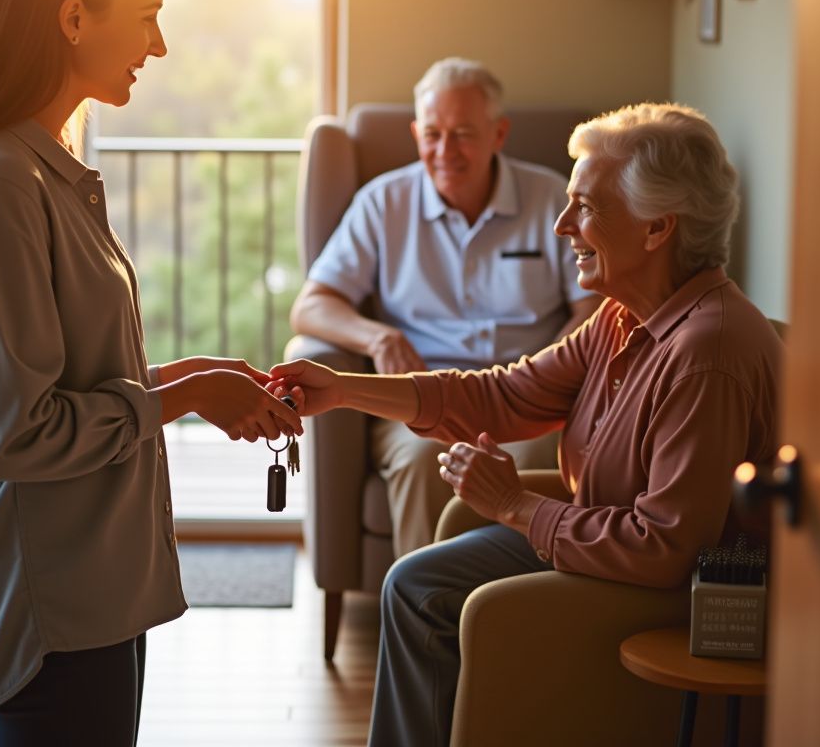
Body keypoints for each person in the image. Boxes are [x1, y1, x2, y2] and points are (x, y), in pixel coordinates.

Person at [0, 0, 303, 746]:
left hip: (90, 586)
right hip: (52, 603)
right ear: (73, 17)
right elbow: (15, 435)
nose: (160, 45)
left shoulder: (39, 168)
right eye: (146, 17)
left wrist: (194, 377)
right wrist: (182, 399)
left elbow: (60, 377)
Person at [271, 103, 780, 747]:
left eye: (587, 208)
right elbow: (502, 395)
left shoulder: (708, 350)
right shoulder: (622, 319)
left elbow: (665, 551)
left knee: (425, 589)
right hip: (608, 545)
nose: (564, 225)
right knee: (415, 582)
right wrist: (344, 389)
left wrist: (515, 505)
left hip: (682, 592)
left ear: (657, 229)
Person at [289, 58, 601, 557]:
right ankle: (424, 620)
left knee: (546, 453)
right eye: (432, 134)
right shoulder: (383, 203)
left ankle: (529, 616)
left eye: (463, 134)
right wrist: (378, 337)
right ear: (416, 133)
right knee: (419, 458)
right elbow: (311, 306)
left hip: (527, 398)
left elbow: (593, 308)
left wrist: (548, 374)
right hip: (417, 400)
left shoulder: (550, 199)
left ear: (499, 133)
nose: (444, 151)